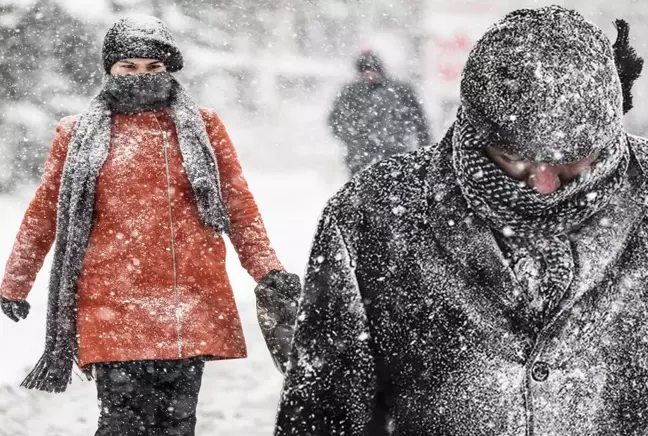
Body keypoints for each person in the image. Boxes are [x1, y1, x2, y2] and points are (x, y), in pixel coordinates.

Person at [275, 7, 647, 435]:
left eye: (570, 161)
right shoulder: (372, 211)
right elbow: (326, 409)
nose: (543, 185)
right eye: (514, 158)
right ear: (474, 128)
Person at [0, 15, 300, 436]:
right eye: (128, 67)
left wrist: (267, 269)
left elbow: (238, 205)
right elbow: (44, 213)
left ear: (169, 69)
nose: (140, 77)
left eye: (152, 68)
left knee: (176, 424)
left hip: (188, 303)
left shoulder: (202, 127)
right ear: (110, 69)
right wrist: (14, 282)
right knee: (122, 424)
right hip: (111, 305)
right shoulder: (76, 135)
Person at [328, 50, 431, 177]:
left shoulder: (400, 90)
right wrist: (353, 139)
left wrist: (424, 148)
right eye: (365, 70)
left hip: (395, 156)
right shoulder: (350, 93)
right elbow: (335, 120)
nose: (369, 74)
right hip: (361, 158)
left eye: (373, 69)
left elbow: (419, 121)